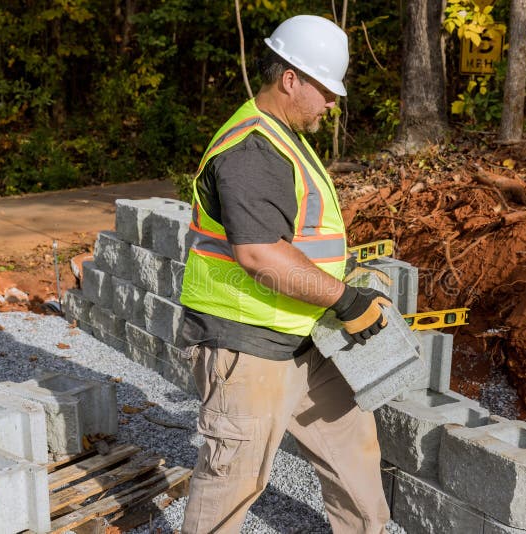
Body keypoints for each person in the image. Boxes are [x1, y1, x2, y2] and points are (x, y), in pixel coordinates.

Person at [178, 14, 392, 534]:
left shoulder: (283, 136)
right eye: (326, 89)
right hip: (248, 347)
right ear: (290, 78)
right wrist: (346, 300)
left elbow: (297, 235)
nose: (333, 103)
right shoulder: (250, 149)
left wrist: (347, 278)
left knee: (357, 467)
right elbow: (260, 255)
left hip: (306, 337)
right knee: (232, 488)